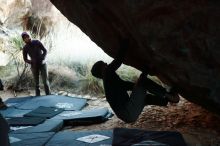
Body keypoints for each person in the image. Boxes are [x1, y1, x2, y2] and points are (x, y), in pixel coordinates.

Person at [91, 39, 179, 123]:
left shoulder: (109, 82)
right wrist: (125, 42)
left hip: (127, 116)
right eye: (104, 64)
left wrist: (144, 73)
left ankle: (166, 100)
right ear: (102, 70)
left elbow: (125, 85)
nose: (106, 64)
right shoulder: (107, 73)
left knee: (144, 97)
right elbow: (118, 61)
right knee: (143, 82)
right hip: (128, 111)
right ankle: (170, 96)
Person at [22, 32, 51, 96]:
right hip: (34, 66)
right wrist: (31, 61)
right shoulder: (25, 48)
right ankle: (37, 97)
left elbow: (45, 50)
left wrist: (43, 57)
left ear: (29, 36)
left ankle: (48, 96)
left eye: (27, 36)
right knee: (36, 83)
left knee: (45, 82)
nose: (27, 38)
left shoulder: (37, 42)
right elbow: (25, 59)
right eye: (25, 38)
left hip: (43, 64)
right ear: (23, 40)